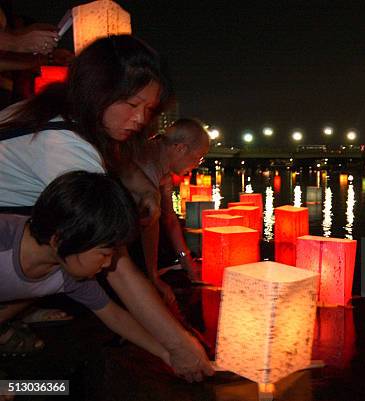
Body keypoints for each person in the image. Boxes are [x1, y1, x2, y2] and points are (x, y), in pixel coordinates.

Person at [0, 35, 213, 380]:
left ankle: (23, 301)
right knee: (79, 244)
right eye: (132, 104)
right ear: (97, 90)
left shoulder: (57, 109)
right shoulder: (67, 148)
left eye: (149, 109)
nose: (141, 119)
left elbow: (115, 164)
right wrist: (178, 344)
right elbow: (117, 264)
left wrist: (144, 188)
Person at [1, 171, 170, 370]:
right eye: (104, 253)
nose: (109, 264)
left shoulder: (68, 269)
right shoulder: (5, 239)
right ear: (59, 240)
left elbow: (115, 316)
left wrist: (168, 354)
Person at [120, 118, 210, 303]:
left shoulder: (164, 172)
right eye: (198, 158)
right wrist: (153, 277)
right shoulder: (146, 160)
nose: (196, 165)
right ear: (180, 149)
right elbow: (150, 221)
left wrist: (187, 263)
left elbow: (170, 219)